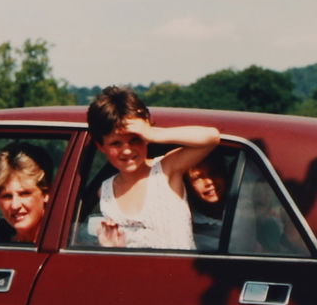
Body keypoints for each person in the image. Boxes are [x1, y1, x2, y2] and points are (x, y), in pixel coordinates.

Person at [88, 86, 219, 250]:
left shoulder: (166, 170)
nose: (127, 150)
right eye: (116, 143)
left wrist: (153, 134)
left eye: (135, 139)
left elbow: (212, 137)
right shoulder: (105, 192)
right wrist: (111, 248)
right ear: (101, 146)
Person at [0, 143, 54, 243]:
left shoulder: (71, 244)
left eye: (25, 194)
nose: (15, 205)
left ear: (46, 193)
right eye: (7, 196)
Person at [185, 153, 230, 252]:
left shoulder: (242, 209)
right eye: (198, 178)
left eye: (213, 173)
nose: (209, 182)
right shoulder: (191, 225)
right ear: (189, 185)